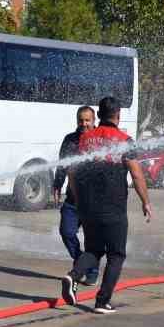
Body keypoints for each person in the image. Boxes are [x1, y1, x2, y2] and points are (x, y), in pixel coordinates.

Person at [60, 95, 151, 314]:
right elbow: (137, 175)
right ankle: (102, 302)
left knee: (93, 249)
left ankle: (72, 275)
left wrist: (79, 200)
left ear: (98, 115)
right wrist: (145, 202)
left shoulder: (85, 139)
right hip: (114, 207)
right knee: (116, 254)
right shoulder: (124, 140)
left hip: (88, 206)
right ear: (118, 116)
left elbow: (72, 171)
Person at [52, 105, 97, 284]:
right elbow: (62, 164)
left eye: (87, 120)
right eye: (81, 120)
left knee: (92, 239)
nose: (84, 124)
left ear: (94, 121)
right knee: (66, 231)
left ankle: (91, 272)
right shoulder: (70, 140)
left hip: (93, 200)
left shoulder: (99, 140)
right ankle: (82, 263)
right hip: (72, 199)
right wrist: (57, 185)